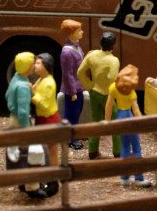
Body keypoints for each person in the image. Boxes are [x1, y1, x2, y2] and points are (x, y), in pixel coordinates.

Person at [5, 52, 49, 198]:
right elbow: (23, 112)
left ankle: (22, 181)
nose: (34, 66)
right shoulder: (23, 87)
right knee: (31, 153)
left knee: (19, 153)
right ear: (26, 67)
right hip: (21, 122)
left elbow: (7, 95)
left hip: (13, 119)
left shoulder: (16, 79)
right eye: (32, 64)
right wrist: (28, 130)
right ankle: (32, 187)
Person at [105, 64, 152, 187]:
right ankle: (139, 178)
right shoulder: (131, 94)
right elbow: (136, 111)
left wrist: (107, 121)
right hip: (129, 118)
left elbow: (109, 105)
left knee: (125, 147)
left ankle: (124, 177)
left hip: (120, 118)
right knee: (136, 148)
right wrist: (144, 125)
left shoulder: (113, 87)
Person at [77, 31, 122, 160]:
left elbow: (80, 72)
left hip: (94, 92)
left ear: (100, 43)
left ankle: (92, 151)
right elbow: (113, 78)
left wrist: (89, 85)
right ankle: (118, 152)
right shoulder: (113, 60)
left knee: (95, 121)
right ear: (113, 45)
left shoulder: (91, 55)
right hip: (108, 95)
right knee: (116, 124)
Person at [30, 53, 61, 167]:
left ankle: (54, 171)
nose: (35, 65)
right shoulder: (40, 79)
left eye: (38, 63)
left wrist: (32, 95)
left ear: (46, 66)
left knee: (51, 148)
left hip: (49, 119)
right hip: (41, 118)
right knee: (43, 147)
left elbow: (45, 105)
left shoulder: (49, 83)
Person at [60, 19, 86, 150]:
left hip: (79, 86)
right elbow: (67, 74)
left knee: (77, 113)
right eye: (79, 30)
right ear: (71, 33)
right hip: (73, 89)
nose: (82, 32)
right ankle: (70, 139)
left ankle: (73, 136)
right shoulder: (67, 52)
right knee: (71, 114)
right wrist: (72, 92)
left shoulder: (77, 46)